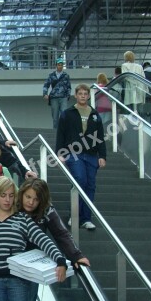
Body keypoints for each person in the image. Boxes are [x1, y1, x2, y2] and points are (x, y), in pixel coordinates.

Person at [17, 178, 90, 301]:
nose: (31, 202)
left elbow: (61, 234)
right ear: (22, 194)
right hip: (8, 265)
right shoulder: (12, 206)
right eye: (28, 197)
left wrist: (76, 256)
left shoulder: (47, 211)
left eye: (36, 199)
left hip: (32, 268)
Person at [56, 84, 107, 230]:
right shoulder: (67, 113)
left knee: (90, 185)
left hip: (91, 155)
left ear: (89, 96)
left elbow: (100, 137)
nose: (83, 95)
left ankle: (86, 219)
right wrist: (60, 152)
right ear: (75, 95)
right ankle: (75, 215)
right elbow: (61, 134)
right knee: (80, 180)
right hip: (74, 153)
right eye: (80, 93)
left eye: (86, 93)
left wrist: (102, 155)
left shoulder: (95, 114)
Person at [42, 58, 71, 129]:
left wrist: (68, 96)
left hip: (63, 97)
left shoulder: (66, 75)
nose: (60, 66)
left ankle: (64, 130)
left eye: (61, 65)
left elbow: (69, 87)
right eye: (59, 65)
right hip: (54, 98)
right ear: (56, 65)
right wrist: (45, 94)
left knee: (64, 115)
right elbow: (46, 85)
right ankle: (55, 131)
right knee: (55, 117)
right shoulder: (51, 75)